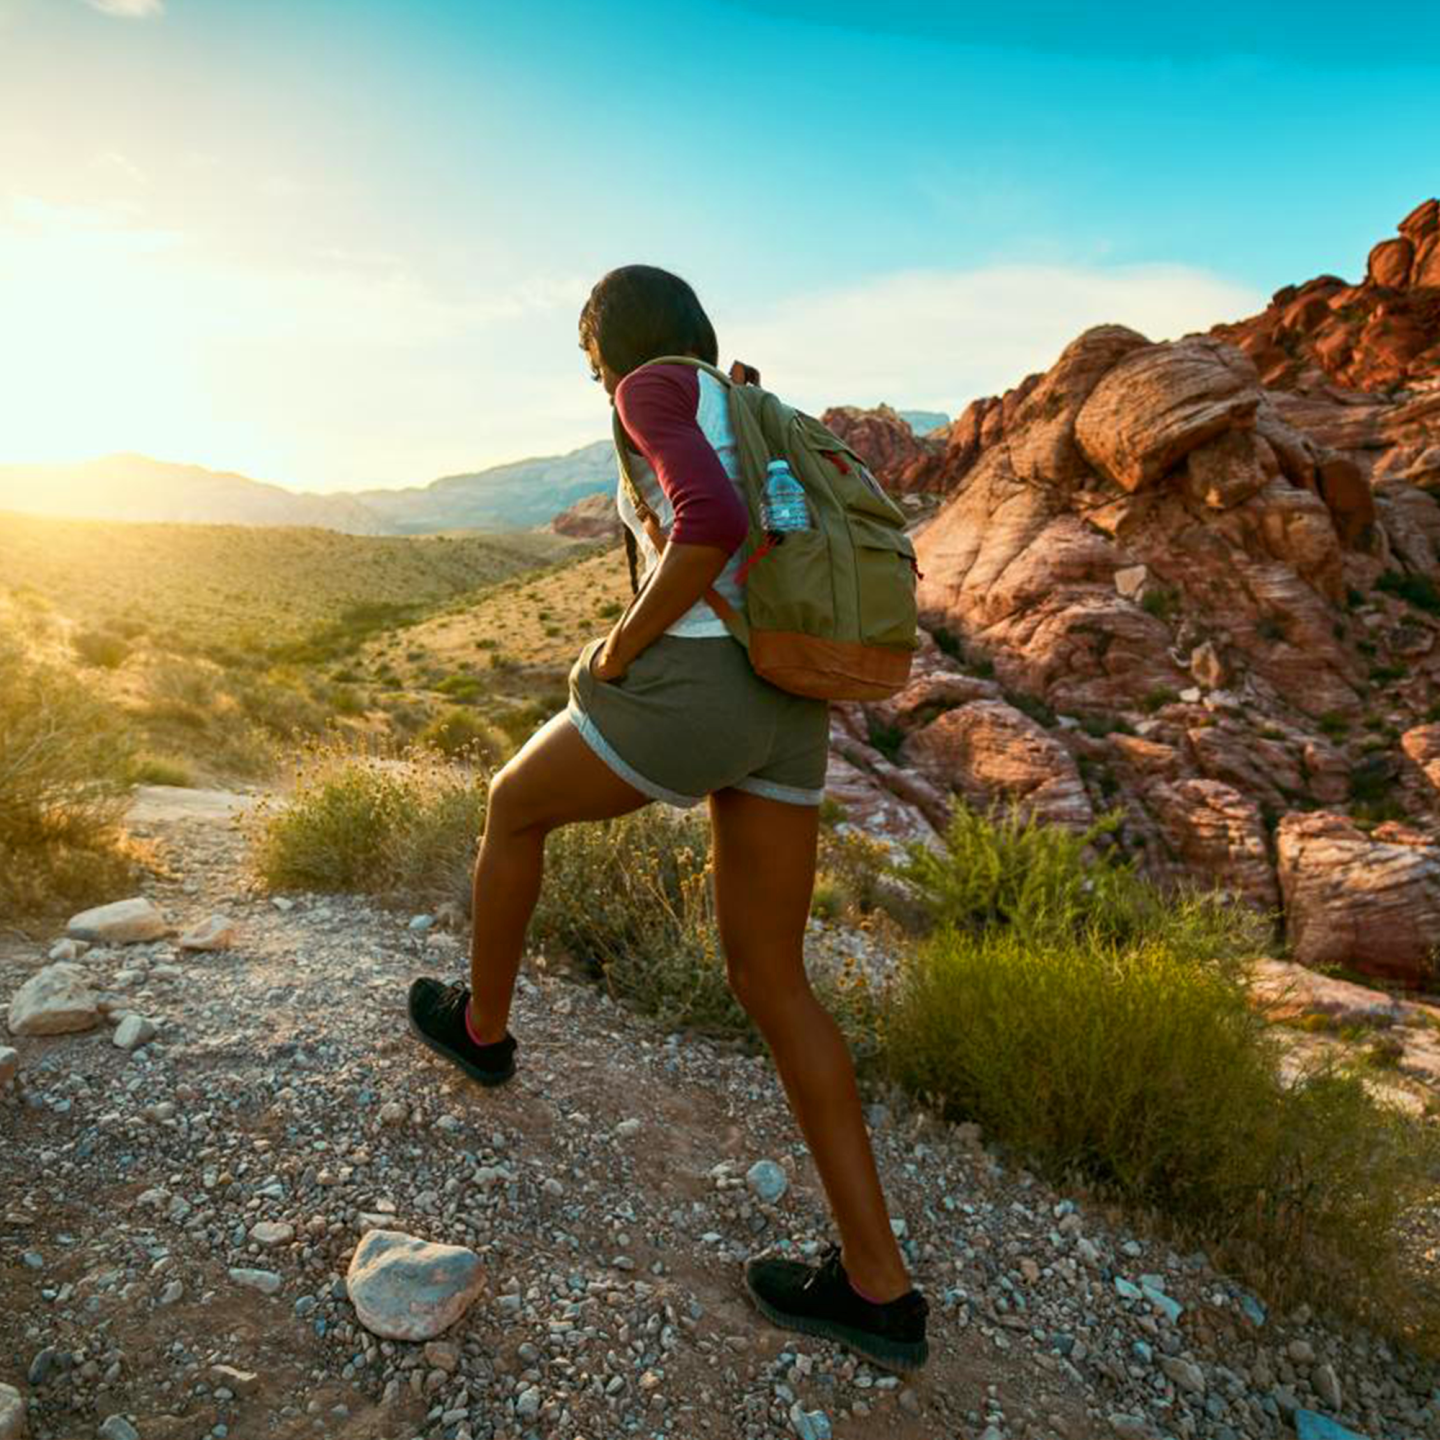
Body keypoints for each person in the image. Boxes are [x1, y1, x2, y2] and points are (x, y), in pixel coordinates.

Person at [407, 264, 929, 1372]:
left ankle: (483, 1032)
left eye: (588, 347)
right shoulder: (747, 402)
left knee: (510, 805)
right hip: (793, 698)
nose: (591, 369)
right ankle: (880, 1291)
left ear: (613, 340)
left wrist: (620, 649)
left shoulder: (649, 389)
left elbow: (709, 522)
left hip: (698, 689)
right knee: (772, 979)